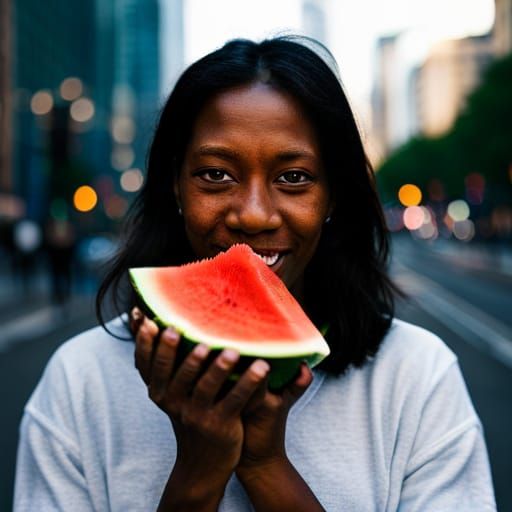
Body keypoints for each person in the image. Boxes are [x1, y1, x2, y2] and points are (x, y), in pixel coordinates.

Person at [14, 36, 496, 511]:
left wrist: (265, 464)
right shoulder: (79, 380)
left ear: (332, 197)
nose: (254, 215)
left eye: (294, 178)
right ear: (175, 186)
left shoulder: (418, 376)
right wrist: (198, 474)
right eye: (216, 174)